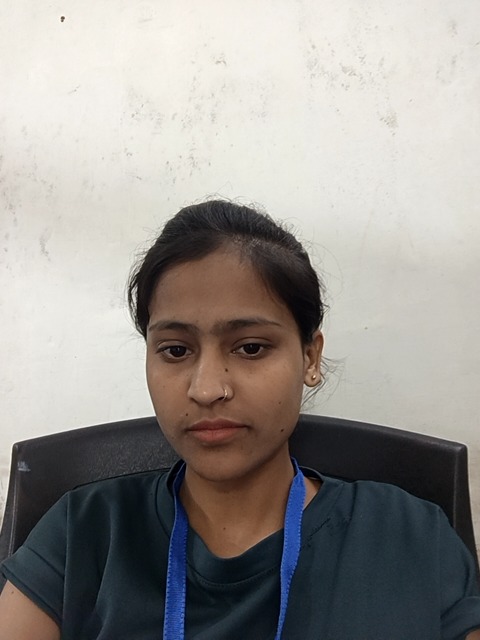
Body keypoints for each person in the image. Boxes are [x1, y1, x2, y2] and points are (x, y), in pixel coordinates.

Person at [0, 199, 479, 639]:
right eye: (175, 350)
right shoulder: (84, 532)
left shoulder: (411, 537)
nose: (207, 389)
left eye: (250, 347)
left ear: (310, 357)